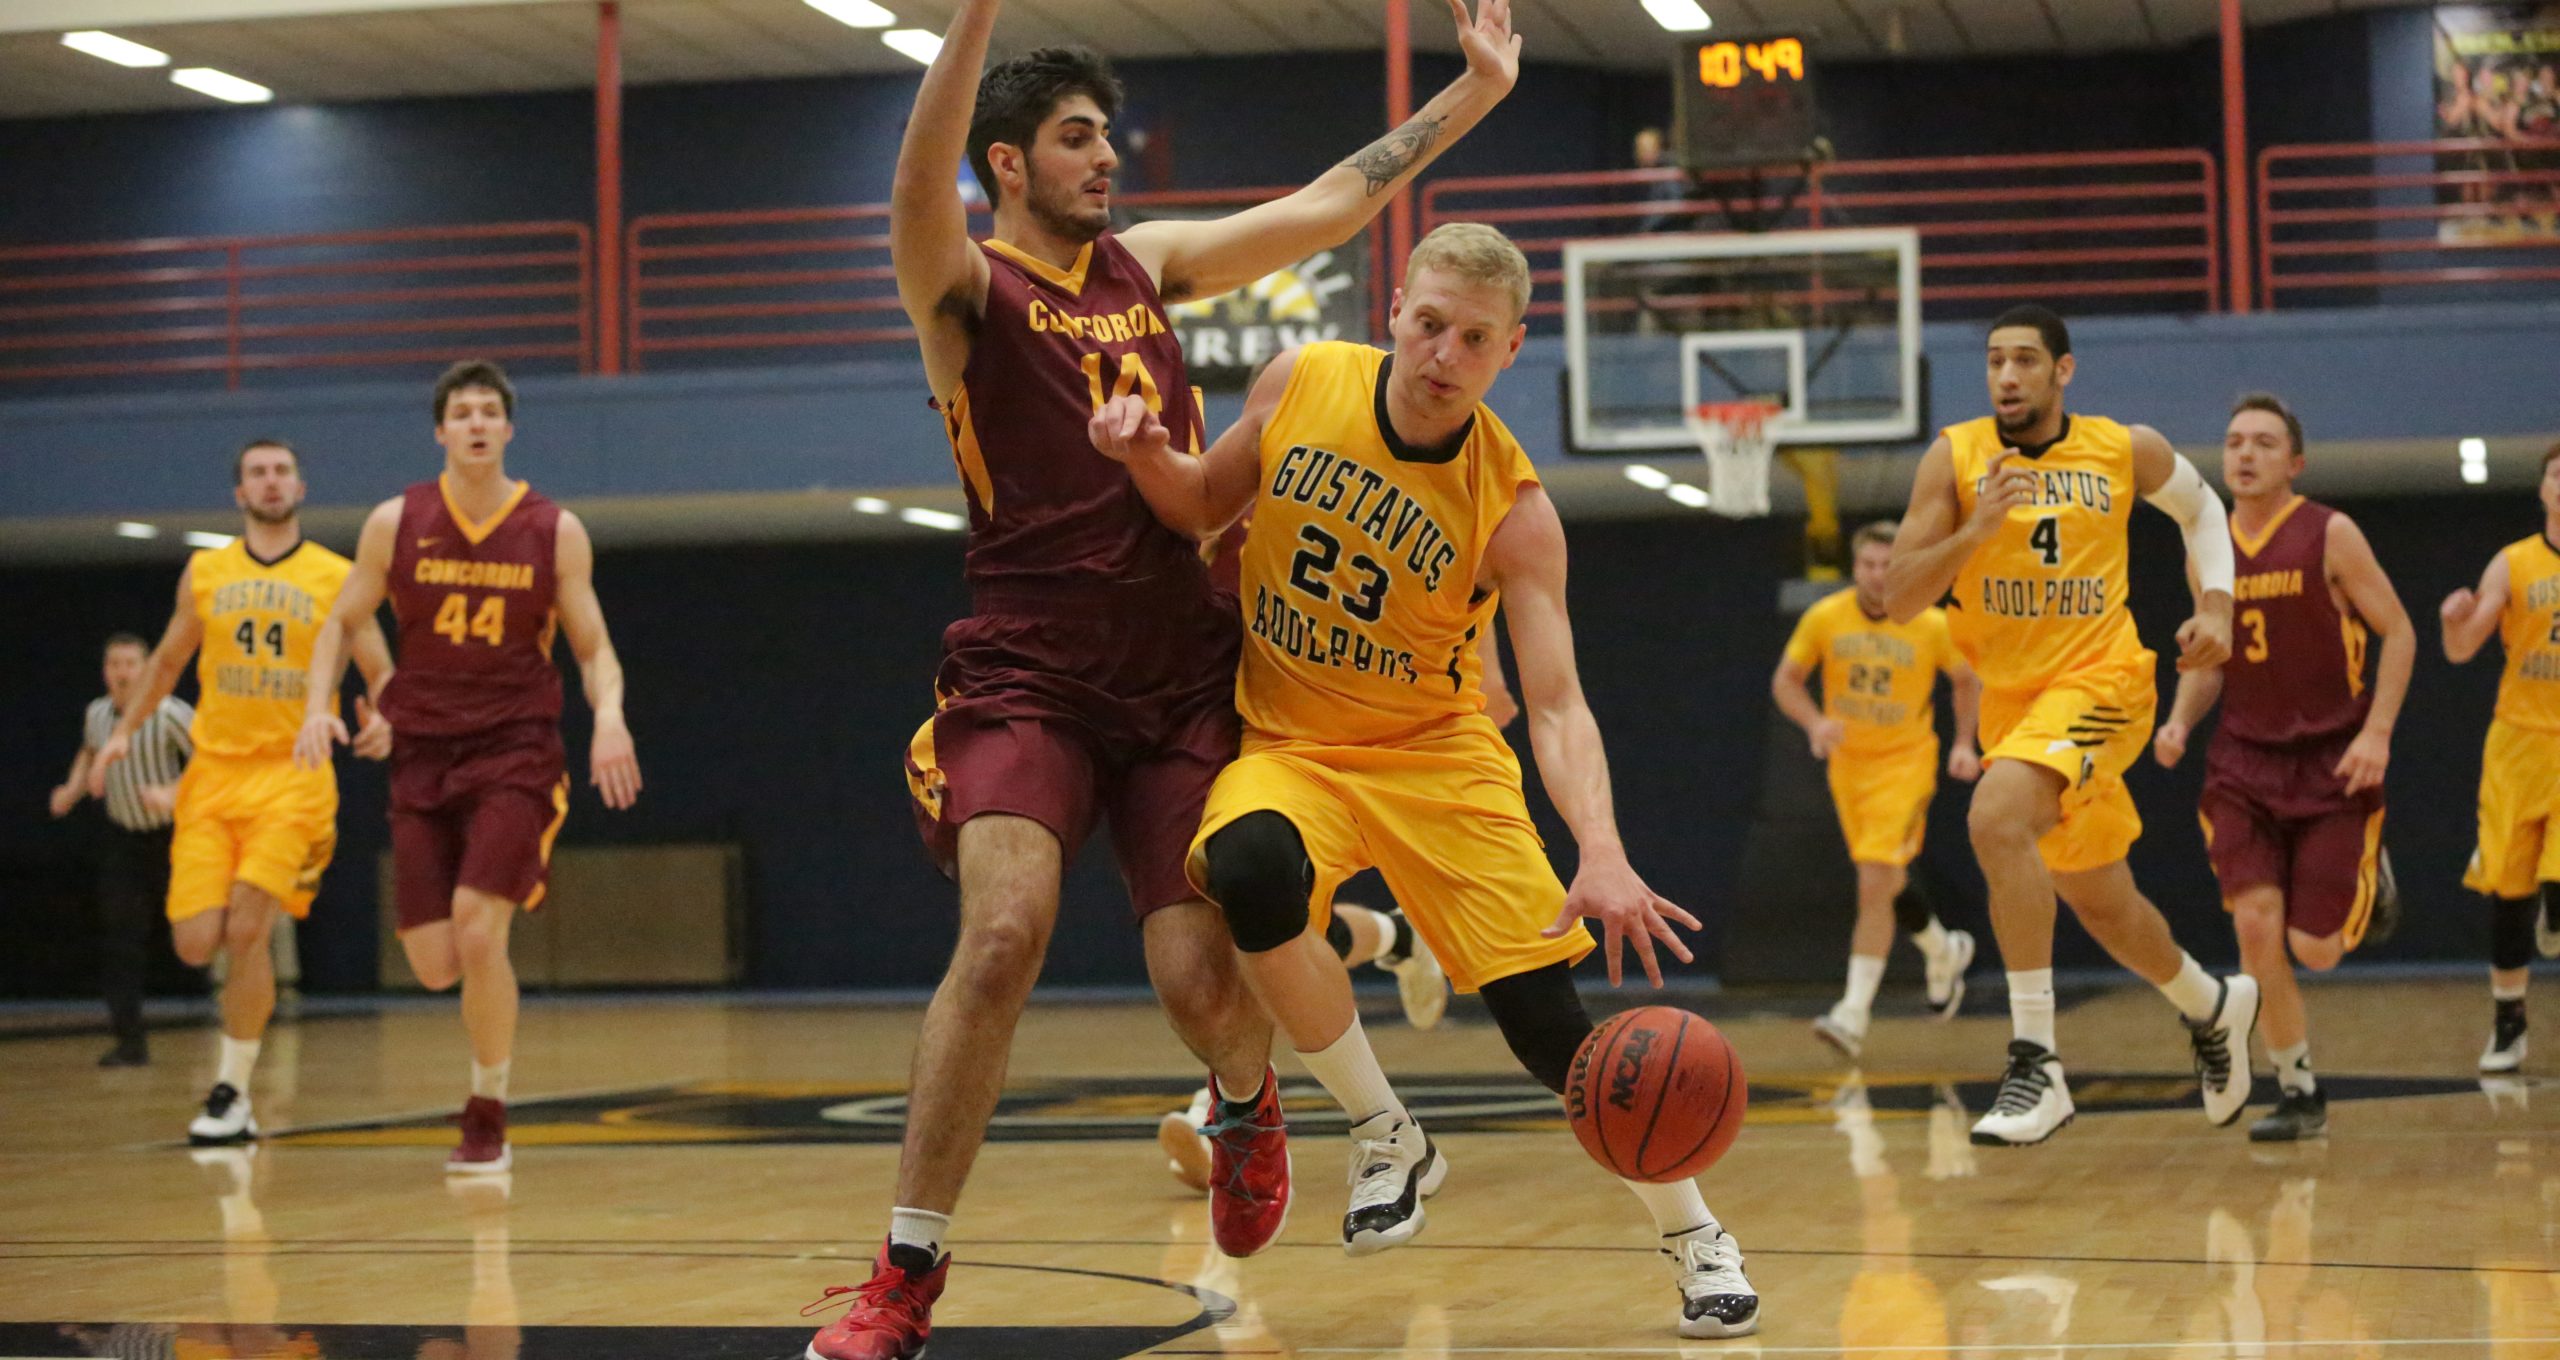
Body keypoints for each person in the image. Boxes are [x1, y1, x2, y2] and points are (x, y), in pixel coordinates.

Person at [809, 3, 1524, 1355]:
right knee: (1006, 932)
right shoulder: (963, 291)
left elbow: (1328, 205)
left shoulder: (1147, 266)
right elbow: (918, 187)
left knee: (1205, 986)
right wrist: (969, 21)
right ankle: (903, 1276)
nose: (1106, 159)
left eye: (1108, 137)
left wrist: (1474, 94)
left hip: (1184, 668)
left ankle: (1248, 1101)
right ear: (1008, 163)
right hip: (1030, 665)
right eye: (1077, 139)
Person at [1090, 222, 1757, 1339]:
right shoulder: (1302, 378)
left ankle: (1695, 1235)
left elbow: (1554, 702)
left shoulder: (1515, 505)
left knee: (1552, 1029)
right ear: (1394, 308)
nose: (1444, 351)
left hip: (1439, 756)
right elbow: (1203, 501)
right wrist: (1140, 450)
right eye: (1430, 321)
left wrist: (1598, 845)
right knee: (1248, 871)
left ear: (1511, 350)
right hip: (1294, 747)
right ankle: (1386, 1131)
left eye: (1474, 338)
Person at [1882, 304, 2260, 1148]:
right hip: (2016, 711)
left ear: (2064, 371)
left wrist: (2219, 609)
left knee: (1994, 815)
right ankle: (2214, 1006)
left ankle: (2036, 1062)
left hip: (2105, 681)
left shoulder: (2126, 449)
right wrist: (1977, 529)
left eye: (2024, 360)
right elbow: (1897, 598)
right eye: (1994, 362)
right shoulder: (1955, 456)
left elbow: (2203, 515)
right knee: (2103, 903)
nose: (2007, 376)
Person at [297, 359, 642, 1175]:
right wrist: (320, 703)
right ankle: (482, 1082)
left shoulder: (553, 528)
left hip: (516, 750)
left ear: (508, 429)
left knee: (481, 929)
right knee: (431, 961)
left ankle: (487, 1109)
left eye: (491, 410)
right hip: (422, 752)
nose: (478, 423)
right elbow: (339, 622)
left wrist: (611, 720)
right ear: (441, 430)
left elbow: (594, 648)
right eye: (463, 412)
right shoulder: (396, 520)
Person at [91, 438, 393, 1142]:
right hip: (214, 778)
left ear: (300, 485)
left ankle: (231, 1091)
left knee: (249, 928)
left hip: (293, 776)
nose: (270, 481)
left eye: (281, 470)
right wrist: (121, 735)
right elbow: (166, 662)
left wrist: (388, 723)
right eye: (257, 472)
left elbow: (381, 671)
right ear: (239, 493)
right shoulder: (206, 572)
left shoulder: (337, 574)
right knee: (199, 943)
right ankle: (236, 1078)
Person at [2153, 394, 2413, 1140]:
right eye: (2234, 440)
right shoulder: (2206, 543)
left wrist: (2380, 734)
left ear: (2293, 463)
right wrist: (2178, 718)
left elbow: (2398, 634)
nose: (2244, 454)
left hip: (2334, 760)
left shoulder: (2331, 534)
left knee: (2316, 950)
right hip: (2243, 763)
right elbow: (2213, 652)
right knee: (2256, 929)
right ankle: (2299, 1089)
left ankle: (2373, 873)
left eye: (2264, 443)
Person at [1772, 519, 1982, 1060]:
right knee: (1886, 878)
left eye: (1889, 564)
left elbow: (1966, 678)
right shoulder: (1826, 617)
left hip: (1906, 764)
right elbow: (1786, 681)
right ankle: (1942, 949)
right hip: (1849, 767)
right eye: (1868, 563)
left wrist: (1964, 742)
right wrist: (1816, 724)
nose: (1878, 573)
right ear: (1855, 567)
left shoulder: (1931, 624)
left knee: (1873, 880)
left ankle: (1852, 1013)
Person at [2437, 439, 2560, 1073]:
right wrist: (2453, 618)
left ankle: (2556, 904)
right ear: (2542, 490)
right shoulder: (2512, 564)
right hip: (2517, 741)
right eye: (2556, 476)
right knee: (2508, 892)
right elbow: (2463, 647)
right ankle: (2509, 1024)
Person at [51, 632, 193, 1066]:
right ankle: (130, 1042)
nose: (123, 673)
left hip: (175, 838)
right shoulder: (97, 713)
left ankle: (238, 1028)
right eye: (115, 665)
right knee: (120, 939)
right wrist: (74, 788)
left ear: (148, 668)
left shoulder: (170, 713)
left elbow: (212, 761)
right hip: (123, 837)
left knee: (199, 931)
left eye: (131, 664)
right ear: (105, 672)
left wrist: (172, 790)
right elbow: (90, 749)